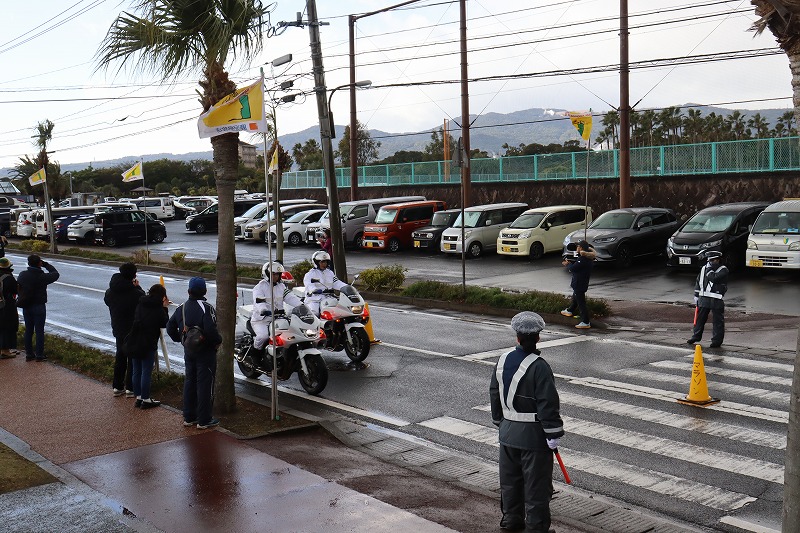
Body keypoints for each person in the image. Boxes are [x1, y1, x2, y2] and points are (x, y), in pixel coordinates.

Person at [490, 312, 563, 533]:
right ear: (538, 337)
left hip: (507, 433)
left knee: (510, 481)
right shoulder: (540, 366)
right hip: (534, 437)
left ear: (517, 336)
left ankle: (511, 520)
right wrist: (552, 433)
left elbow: (495, 392)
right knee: (536, 486)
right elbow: (547, 403)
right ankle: (536, 528)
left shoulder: (502, 360)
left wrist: (500, 421)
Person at [167, 277, 222, 429]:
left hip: (189, 350)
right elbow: (211, 331)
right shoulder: (207, 307)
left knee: (190, 381)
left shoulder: (182, 307)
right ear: (205, 291)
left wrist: (181, 339)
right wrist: (218, 341)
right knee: (205, 384)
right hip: (205, 352)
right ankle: (204, 419)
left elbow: (170, 327)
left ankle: (189, 416)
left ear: (189, 291)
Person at [104, 262, 145, 397]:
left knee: (120, 356)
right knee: (132, 358)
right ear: (133, 275)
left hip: (118, 327)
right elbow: (143, 301)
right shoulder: (135, 293)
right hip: (132, 330)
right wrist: (138, 286)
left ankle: (117, 386)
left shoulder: (110, 291)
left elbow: (107, 301)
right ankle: (130, 387)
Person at [250, 261, 303, 362]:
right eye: (273, 274)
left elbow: (290, 297)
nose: (276, 276)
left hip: (279, 318)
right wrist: (264, 310)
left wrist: (301, 305)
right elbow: (259, 302)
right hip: (262, 320)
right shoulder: (259, 287)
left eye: (278, 274)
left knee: (291, 334)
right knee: (263, 336)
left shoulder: (281, 286)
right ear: (267, 274)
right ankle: (255, 356)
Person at [130, 284, 170, 409]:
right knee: (146, 371)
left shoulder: (141, 303)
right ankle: (146, 399)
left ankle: (138, 397)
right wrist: (165, 308)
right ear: (162, 296)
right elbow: (164, 323)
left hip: (135, 339)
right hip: (148, 341)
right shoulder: (158, 308)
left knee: (136, 370)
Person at [16, 254, 59, 362]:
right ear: (39, 263)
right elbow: (55, 274)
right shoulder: (42, 276)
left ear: (28, 263)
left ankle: (29, 354)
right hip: (38, 305)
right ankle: (39, 355)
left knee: (28, 330)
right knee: (39, 331)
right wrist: (46, 265)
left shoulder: (23, 274)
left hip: (26, 305)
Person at [687, 250, 728, 348]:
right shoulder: (704, 268)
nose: (713, 262)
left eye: (715, 260)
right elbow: (698, 281)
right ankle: (696, 336)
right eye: (711, 260)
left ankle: (716, 341)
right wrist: (696, 295)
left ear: (719, 260)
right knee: (700, 319)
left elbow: (714, 278)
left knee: (718, 322)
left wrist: (709, 269)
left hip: (716, 299)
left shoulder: (723, 269)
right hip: (703, 298)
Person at [560, 240, 595, 329]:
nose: (576, 248)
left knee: (581, 303)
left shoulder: (583, 259)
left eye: (578, 246)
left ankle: (585, 322)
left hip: (579, 283)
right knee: (576, 298)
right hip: (581, 283)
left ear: (581, 248)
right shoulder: (586, 259)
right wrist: (571, 264)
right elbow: (577, 266)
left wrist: (568, 264)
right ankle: (570, 310)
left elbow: (574, 268)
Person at [303, 250, 347, 317]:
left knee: (340, 311)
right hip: (314, 299)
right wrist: (314, 290)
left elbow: (336, 282)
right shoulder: (310, 274)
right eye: (322, 262)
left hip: (328, 298)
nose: (324, 264)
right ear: (316, 262)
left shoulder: (330, 273)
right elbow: (309, 285)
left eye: (326, 262)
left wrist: (346, 287)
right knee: (314, 312)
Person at [0, 257, 19, 359]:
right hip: (6, 305)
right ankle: (5, 350)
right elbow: (16, 290)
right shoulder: (8, 278)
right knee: (6, 327)